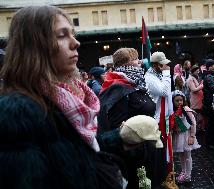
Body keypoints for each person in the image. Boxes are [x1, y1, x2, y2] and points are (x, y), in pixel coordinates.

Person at [0, 5, 133, 189]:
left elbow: (72, 150)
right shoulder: (17, 115)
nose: (76, 43)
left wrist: (118, 140)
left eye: (73, 34)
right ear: (34, 46)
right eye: (62, 35)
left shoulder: (64, 97)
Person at [97, 47, 161, 189]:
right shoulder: (118, 89)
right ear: (125, 65)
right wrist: (137, 152)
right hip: (136, 157)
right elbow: (118, 128)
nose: (139, 62)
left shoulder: (135, 84)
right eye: (135, 59)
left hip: (147, 149)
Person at [144, 51, 173, 184]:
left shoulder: (157, 74)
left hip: (163, 116)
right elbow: (164, 91)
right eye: (163, 64)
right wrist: (167, 74)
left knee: (165, 147)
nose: (166, 67)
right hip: (156, 118)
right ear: (156, 65)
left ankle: (165, 175)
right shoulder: (150, 78)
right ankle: (159, 178)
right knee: (160, 148)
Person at [172, 90, 200, 184]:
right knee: (181, 155)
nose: (180, 102)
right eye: (177, 100)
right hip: (178, 136)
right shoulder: (172, 111)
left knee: (188, 155)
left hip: (187, 135)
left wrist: (192, 136)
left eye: (181, 100)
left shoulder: (187, 109)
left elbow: (193, 123)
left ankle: (188, 175)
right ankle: (183, 172)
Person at [202, 59, 214, 150]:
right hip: (210, 104)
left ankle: (212, 142)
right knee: (212, 124)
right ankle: (211, 143)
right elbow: (213, 88)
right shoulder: (208, 76)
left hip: (211, 103)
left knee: (213, 123)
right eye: (213, 65)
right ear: (209, 67)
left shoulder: (211, 76)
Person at [187, 65, 205, 131]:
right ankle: (196, 130)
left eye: (198, 70)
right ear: (193, 71)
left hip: (199, 101)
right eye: (197, 70)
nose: (198, 71)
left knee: (200, 116)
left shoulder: (196, 78)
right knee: (196, 116)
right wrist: (202, 85)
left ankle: (200, 128)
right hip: (195, 102)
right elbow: (194, 89)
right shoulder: (190, 79)